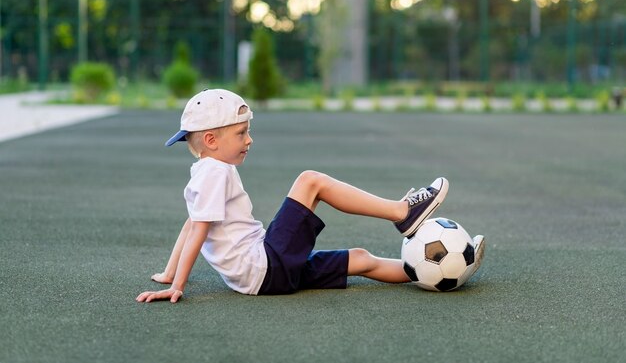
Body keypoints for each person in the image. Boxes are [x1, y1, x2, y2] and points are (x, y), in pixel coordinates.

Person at [136, 89, 483, 303]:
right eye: (242, 133)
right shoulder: (216, 171)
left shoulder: (203, 172)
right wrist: (177, 285)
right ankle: (401, 211)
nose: (249, 140)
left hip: (262, 276)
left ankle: (440, 271)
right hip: (265, 263)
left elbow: (191, 224)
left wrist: (169, 273)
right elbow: (197, 229)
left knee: (360, 259)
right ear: (211, 141)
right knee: (310, 181)